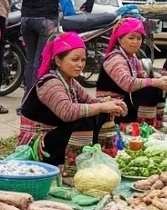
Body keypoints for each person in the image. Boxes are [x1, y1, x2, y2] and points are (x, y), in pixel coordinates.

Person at [18, 31, 126, 183]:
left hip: (57, 137)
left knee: (101, 113)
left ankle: (102, 158)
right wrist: (102, 107)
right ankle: (70, 172)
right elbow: (67, 112)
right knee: (85, 119)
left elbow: (90, 102)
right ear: (58, 60)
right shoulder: (50, 83)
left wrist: (111, 104)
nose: (80, 65)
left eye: (83, 60)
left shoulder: (70, 82)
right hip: (38, 145)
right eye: (75, 60)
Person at [96, 16, 167, 130]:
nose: (135, 42)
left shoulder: (131, 56)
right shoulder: (116, 59)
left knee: (157, 88)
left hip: (127, 99)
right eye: (131, 38)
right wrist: (155, 82)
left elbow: (141, 76)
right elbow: (127, 84)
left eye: (138, 38)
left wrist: (163, 81)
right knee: (151, 89)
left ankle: (154, 123)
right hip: (114, 104)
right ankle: (145, 126)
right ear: (120, 39)